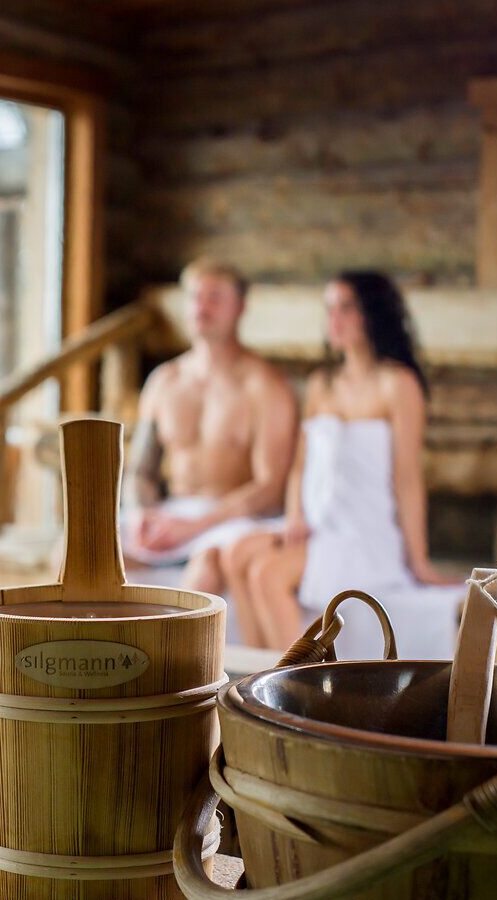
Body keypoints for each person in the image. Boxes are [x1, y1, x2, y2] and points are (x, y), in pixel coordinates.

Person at [222, 271, 460, 657]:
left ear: (373, 314)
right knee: (236, 554)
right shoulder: (322, 385)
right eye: (329, 308)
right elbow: (301, 465)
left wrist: (419, 562)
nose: (334, 319)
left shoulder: (398, 385)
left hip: (363, 533)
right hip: (317, 524)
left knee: (267, 574)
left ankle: (299, 687)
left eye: (346, 308)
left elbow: (407, 478)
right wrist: (295, 515)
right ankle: (262, 678)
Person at [121, 258, 298, 595]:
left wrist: (195, 527)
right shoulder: (164, 381)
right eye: (194, 297)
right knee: (76, 551)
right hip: (173, 510)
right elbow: (140, 471)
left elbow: (270, 487)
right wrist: (141, 512)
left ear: (240, 308)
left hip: (231, 520)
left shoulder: (263, 385)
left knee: (206, 567)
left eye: (215, 298)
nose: (201, 308)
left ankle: (177, 648)